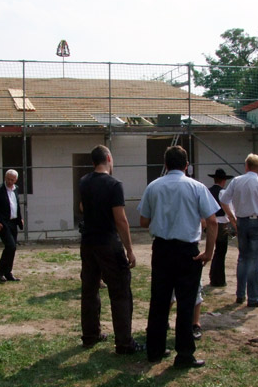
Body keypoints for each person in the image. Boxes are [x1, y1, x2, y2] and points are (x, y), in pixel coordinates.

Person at [138, 145, 219, 368]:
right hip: (187, 251)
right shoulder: (197, 187)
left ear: (165, 164)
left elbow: (143, 221)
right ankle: (184, 355)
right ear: (186, 165)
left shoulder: (154, 186)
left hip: (162, 249)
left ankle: (154, 350)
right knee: (186, 303)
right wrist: (209, 252)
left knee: (159, 301)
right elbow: (212, 221)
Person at [79, 145, 142, 354]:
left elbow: (82, 207)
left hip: (88, 242)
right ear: (108, 158)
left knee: (89, 289)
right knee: (120, 291)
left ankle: (90, 335)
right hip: (107, 242)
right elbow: (121, 219)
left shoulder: (84, 181)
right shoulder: (114, 184)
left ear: (93, 162)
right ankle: (124, 342)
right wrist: (129, 249)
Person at [220, 153, 258, 307]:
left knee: (243, 259)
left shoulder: (236, 181)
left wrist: (232, 218)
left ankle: (240, 294)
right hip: (257, 222)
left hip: (242, 222)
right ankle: (253, 297)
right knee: (255, 261)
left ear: (246, 166)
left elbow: (224, 200)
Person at [0, 169, 24, 282]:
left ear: (16, 180)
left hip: (13, 222)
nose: (10, 181)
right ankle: (0, 272)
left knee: (13, 248)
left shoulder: (16, 189)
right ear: (5, 177)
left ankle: (8, 273)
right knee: (10, 246)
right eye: (8, 179)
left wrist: (20, 218)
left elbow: (16, 205)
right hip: (2, 223)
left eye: (12, 180)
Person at [208, 168, 234, 287]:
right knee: (221, 251)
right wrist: (234, 223)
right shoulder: (222, 192)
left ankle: (215, 276)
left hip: (210, 222)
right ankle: (217, 279)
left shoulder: (208, 191)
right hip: (221, 223)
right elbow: (229, 209)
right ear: (223, 181)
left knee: (217, 251)